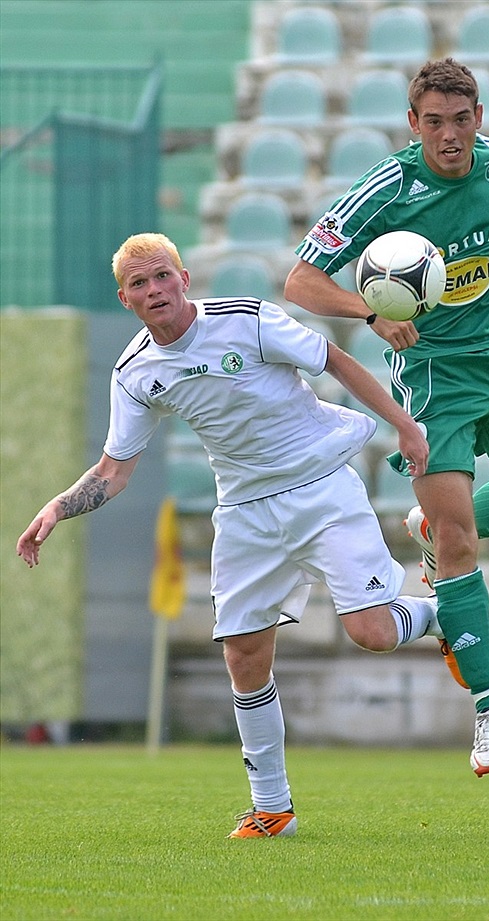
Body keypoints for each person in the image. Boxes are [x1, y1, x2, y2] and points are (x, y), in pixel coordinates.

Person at [16, 232, 448, 839]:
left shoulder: (246, 318)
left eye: (162, 276)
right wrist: (58, 509)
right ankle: (273, 808)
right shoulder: (135, 372)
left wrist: (403, 425)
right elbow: (115, 468)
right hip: (245, 511)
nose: (154, 290)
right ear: (125, 299)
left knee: (372, 633)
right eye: (139, 284)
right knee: (244, 655)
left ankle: (434, 613)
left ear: (183, 278)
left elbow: (335, 361)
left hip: (320, 483)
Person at [285, 58, 489, 776]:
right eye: (433, 122)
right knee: (459, 541)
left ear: (479, 118)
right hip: (438, 374)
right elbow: (302, 278)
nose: (448, 135)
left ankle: (430, 529)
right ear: (414, 123)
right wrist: (370, 308)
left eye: (460, 119)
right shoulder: (388, 188)